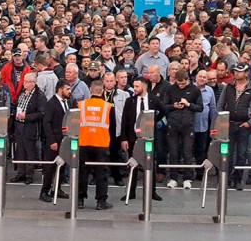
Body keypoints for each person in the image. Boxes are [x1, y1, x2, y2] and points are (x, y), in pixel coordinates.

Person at [216, 64, 251, 189]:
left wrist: (250, 122)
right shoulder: (229, 87)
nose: (236, 73)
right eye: (235, 71)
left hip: (244, 125)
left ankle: (237, 179)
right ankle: (226, 179)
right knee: (228, 153)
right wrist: (223, 120)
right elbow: (220, 105)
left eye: (240, 71)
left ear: (246, 73)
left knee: (242, 154)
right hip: (229, 124)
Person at [122, 77, 163, 200]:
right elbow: (124, 121)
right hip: (134, 136)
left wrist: (154, 122)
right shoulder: (130, 101)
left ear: (144, 86)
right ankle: (131, 191)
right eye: (134, 86)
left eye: (137, 86)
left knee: (151, 164)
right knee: (133, 163)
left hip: (149, 136)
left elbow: (164, 111)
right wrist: (124, 138)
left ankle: (152, 191)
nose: (135, 89)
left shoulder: (153, 99)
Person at [78, 80, 115, 210]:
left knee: (82, 172)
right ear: (103, 90)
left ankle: (80, 200)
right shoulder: (108, 106)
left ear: (90, 89)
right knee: (102, 174)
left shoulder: (81, 105)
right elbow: (113, 128)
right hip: (101, 143)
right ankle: (101, 201)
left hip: (83, 142)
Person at [41, 80, 75, 202]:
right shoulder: (51, 103)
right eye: (67, 89)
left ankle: (57, 188)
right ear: (60, 89)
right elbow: (47, 123)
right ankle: (45, 191)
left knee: (62, 165)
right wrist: (52, 141)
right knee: (50, 167)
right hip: (55, 140)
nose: (70, 91)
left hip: (65, 140)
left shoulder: (68, 102)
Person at [11, 73, 45, 184]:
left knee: (30, 151)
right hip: (19, 125)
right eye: (24, 81)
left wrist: (27, 117)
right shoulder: (22, 92)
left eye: (27, 82)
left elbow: (41, 113)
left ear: (33, 83)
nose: (24, 83)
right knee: (20, 150)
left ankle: (29, 175)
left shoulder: (39, 95)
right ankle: (21, 173)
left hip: (30, 126)